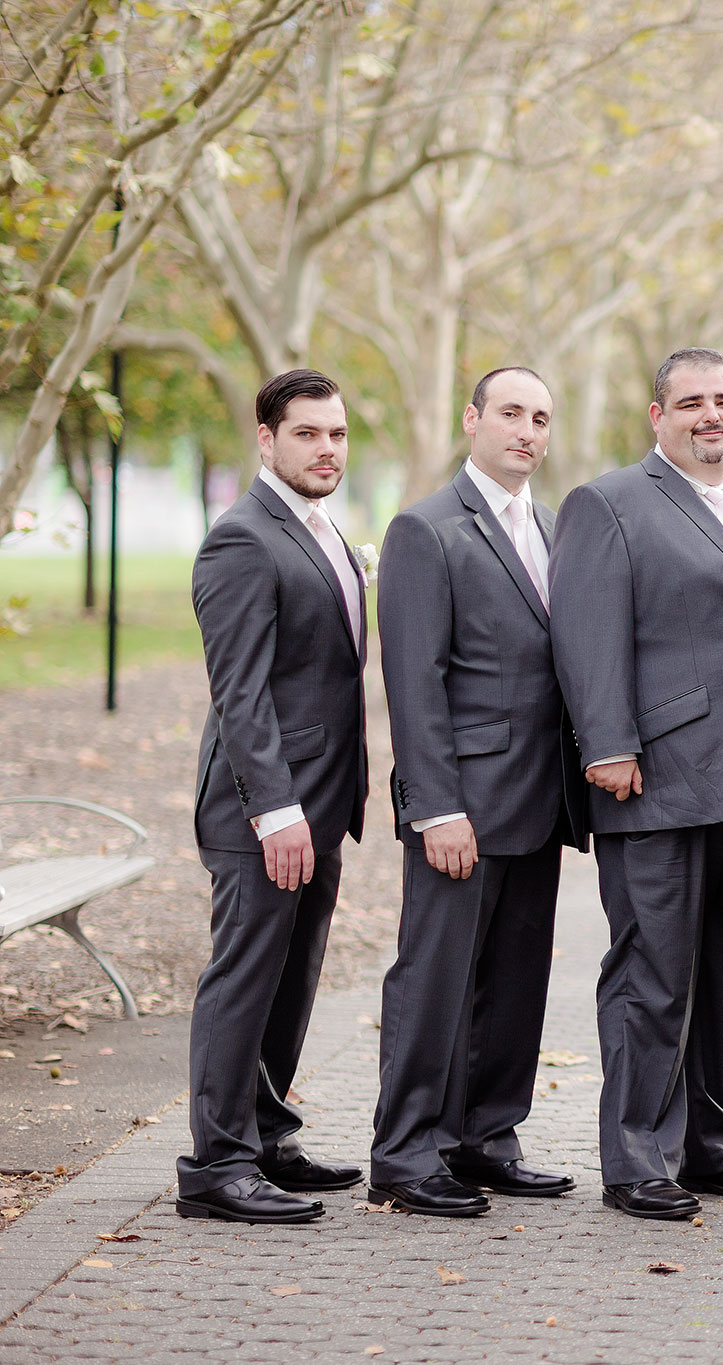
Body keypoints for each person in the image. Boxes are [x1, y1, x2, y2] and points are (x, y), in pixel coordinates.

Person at [550, 348, 723, 1221]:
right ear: (657, 415)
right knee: (652, 973)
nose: (711, 415)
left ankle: (710, 1142)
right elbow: (585, 632)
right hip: (657, 777)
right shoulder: (610, 502)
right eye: (691, 401)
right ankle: (636, 1157)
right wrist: (606, 743)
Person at [368, 366, 586, 1217]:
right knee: (434, 979)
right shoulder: (425, 529)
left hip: (539, 798)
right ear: (472, 419)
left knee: (515, 980)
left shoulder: (557, 527)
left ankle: (488, 1138)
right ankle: (405, 1152)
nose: (527, 431)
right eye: (510, 413)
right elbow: (413, 681)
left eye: (541, 417)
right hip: (461, 801)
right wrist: (436, 806)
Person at [179, 368, 369, 1223]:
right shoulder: (241, 540)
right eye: (307, 434)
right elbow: (240, 692)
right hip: (262, 810)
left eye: (337, 433)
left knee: (292, 981)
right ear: (266, 438)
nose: (327, 449)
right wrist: (275, 809)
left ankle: (264, 1134)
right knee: (245, 979)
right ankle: (216, 1164)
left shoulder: (322, 529)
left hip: (318, 804)